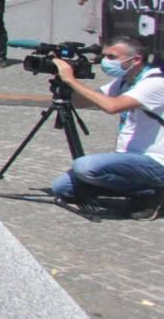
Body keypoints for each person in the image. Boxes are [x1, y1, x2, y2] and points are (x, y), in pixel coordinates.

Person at [49, 36, 164, 210]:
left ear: (136, 60)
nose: (105, 61)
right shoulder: (125, 80)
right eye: (104, 56)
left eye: (111, 57)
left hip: (155, 162)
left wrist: (71, 80)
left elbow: (112, 106)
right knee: (62, 187)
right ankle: (145, 191)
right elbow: (82, 102)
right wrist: (62, 83)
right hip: (130, 159)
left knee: (84, 166)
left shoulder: (155, 82)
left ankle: (155, 192)